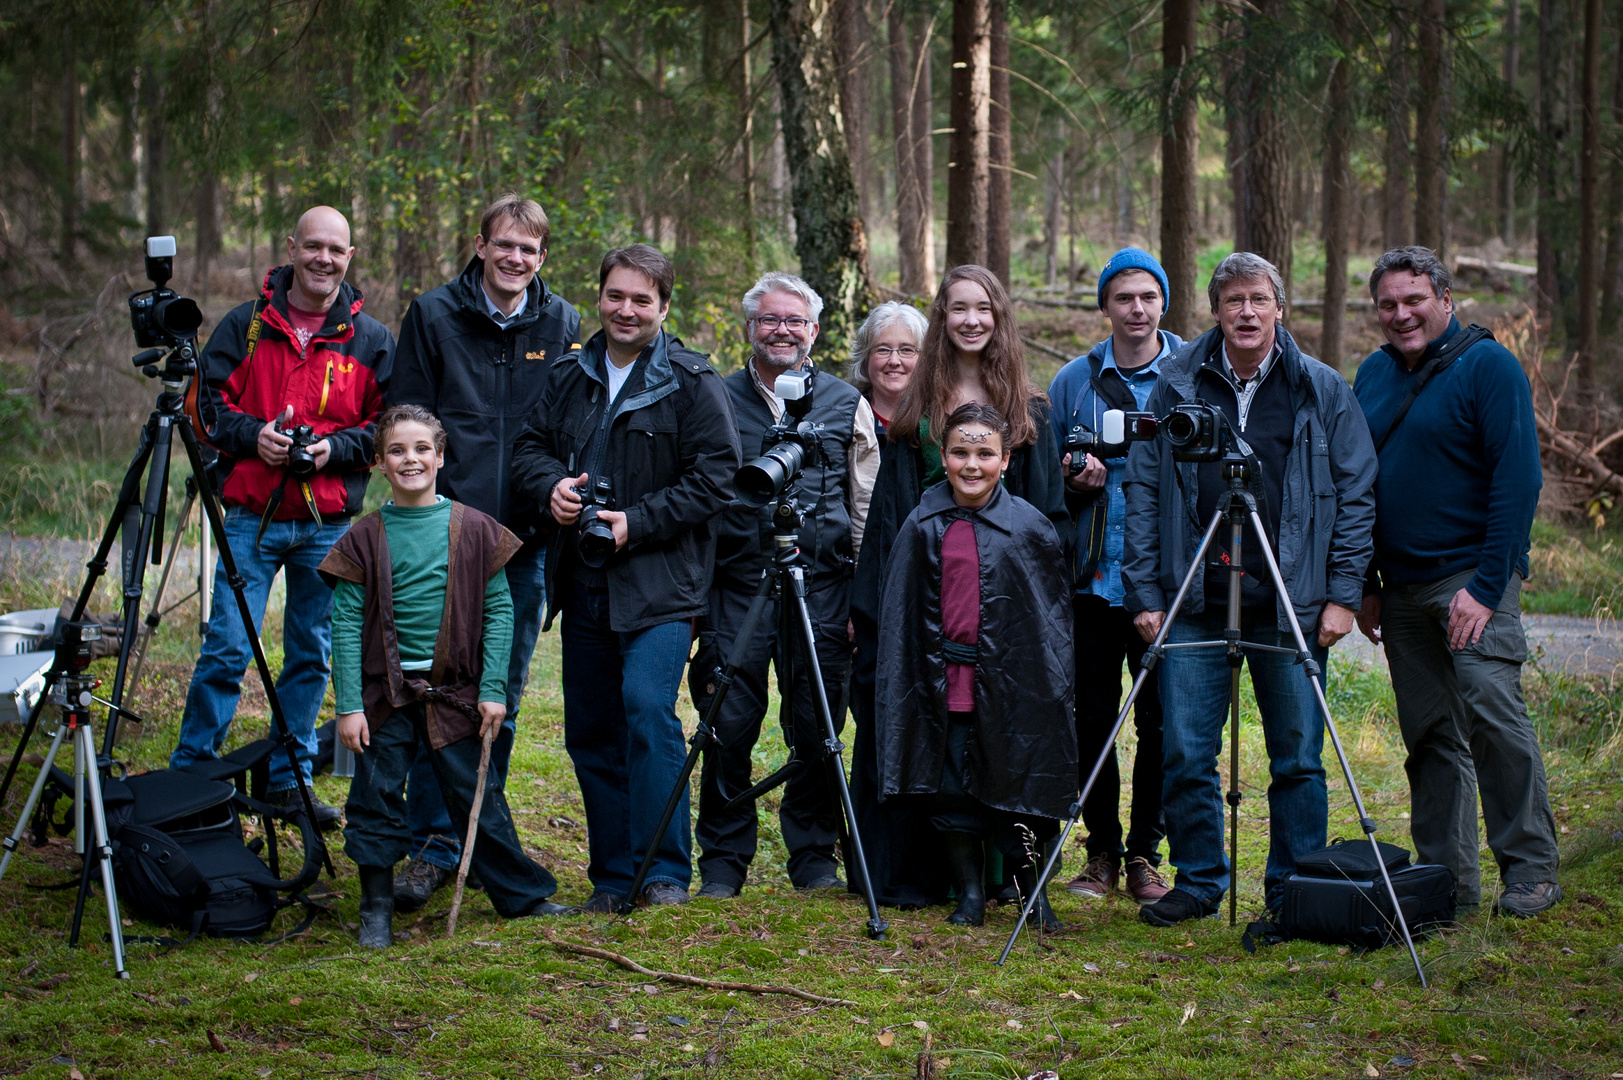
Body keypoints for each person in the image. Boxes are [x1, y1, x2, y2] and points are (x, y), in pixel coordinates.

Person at [1122, 251, 1377, 926]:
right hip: (1192, 597)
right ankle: (1200, 880)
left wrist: (1343, 593)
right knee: (1183, 750)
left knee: (1296, 757)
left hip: (1292, 601)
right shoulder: (1175, 384)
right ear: (1213, 311)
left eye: (1257, 300)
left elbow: (1356, 493)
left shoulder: (1319, 388)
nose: (1245, 312)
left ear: (1277, 308)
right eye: (1231, 300)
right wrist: (1145, 593)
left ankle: (1293, 890)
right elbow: (1143, 491)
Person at [510, 244, 741, 910]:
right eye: (615, 296)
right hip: (582, 580)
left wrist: (635, 522)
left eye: (642, 299)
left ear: (664, 308)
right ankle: (613, 878)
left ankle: (664, 871)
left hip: (663, 584)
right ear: (600, 297)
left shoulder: (693, 382)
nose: (626, 310)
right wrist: (548, 488)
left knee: (646, 710)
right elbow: (528, 448)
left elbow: (716, 478)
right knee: (590, 730)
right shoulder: (567, 375)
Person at [385, 193, 583, 912]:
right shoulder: (433, 315)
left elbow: (568, 425)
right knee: (432, 693)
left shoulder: (561, 322)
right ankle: (430, 844)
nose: (515, 259)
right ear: (480, 245)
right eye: (504, 245)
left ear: (542, 258)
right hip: (443, 541)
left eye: (529, 250)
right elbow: (406, 420)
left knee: (497, 697)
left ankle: (475, 840)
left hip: (524, 544)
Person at [849, 263, 1069, 909]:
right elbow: (890, 512)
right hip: (923, 597)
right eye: (957, 308)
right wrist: (876, 607)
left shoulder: (1028, 404)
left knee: (1005, 730)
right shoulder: (919, 400)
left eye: (984, 308)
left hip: (1006, 604)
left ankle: (1008, 876)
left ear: (998, 318)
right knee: (930, 733)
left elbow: (1042, 518)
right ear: (942, 318)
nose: (970, 320)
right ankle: (927, 874)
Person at [1353, 247, 1560, 918]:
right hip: (1403, 589)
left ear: (1444, 299)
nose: (1400, 314)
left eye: (1413, 299)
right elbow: (1357, 485)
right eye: (1387, 303)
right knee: (1430, 736)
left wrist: (1486, 585)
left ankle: (1530, 870)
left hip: (1470, 579)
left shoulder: (1487, 366)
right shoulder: (1372, 375)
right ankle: (1446, 885)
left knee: (1490, 711)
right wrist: (1366, 581)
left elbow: (1516, 478)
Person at [170, 206, 391, 824]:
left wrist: (333, 450)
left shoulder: (370, 340)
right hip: (251, 518)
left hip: (329, 524)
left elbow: (388, 428)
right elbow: (206, 408)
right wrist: (253, 438)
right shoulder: (245, 327)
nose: (324, 258)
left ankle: (287, 778)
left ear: (350, 256)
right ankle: (192, 777)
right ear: (291, 246)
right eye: (313, 246)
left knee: (312, 653)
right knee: (226, 649)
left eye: (336, 250)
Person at [324, 405, 574, 948]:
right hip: (383, 698)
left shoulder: (477, 529)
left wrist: (491, 692)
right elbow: (344, 624)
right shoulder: (363, 539)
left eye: (421, 449)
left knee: (477, 795)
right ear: (379, 465)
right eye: (396, 450)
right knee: (376, 795)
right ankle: (376, 908)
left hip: (456, 696)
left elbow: (501, 612)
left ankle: (520, 897)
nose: (410, 459)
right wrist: (348, 706)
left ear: (440, 457)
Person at [689, 272, 880, 898]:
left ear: (815, 332)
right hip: (735, 584)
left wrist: (858, 593)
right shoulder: (714, 396)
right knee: (727, 720)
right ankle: (722, 858)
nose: (783, 331)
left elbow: (864, 501)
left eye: (795, 321)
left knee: (817, 721)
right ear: (751, 328)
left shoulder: (845, 401)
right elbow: (701, 498)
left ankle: (812, 856)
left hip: (822, 585)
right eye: (771, 320)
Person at [876, 402, 1074, 930]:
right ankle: (969, 894)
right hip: (946, 685)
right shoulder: (922, 521)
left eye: (985, 453)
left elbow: (1048, 620)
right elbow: (903, 615)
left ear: (1006, 460)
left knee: (1021, 785)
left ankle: (1033, 892)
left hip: (1013, 685)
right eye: (961, 452)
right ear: (944, 455)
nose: (972, 464)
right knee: (953, 788)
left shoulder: (1029, 527)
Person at [1047, 248, 1182, 904]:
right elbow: (1045, 477)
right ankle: (1098, 849)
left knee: (1161, 719)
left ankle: (1143, 856)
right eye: (1122, 297)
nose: (1135, 309)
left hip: (1167, 581)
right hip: (1093, 578)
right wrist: (1074, 482)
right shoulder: (1074, 380)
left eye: (1146, 297)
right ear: (1104, 306)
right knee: (1092, 718)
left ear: (1163, 303)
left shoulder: (1191, 371)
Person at [849, 301, 928, 434]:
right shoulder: (847, 418)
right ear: (865, 357)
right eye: (883, 350)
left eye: (907, 350)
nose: (894, 361)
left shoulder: (938, 420)